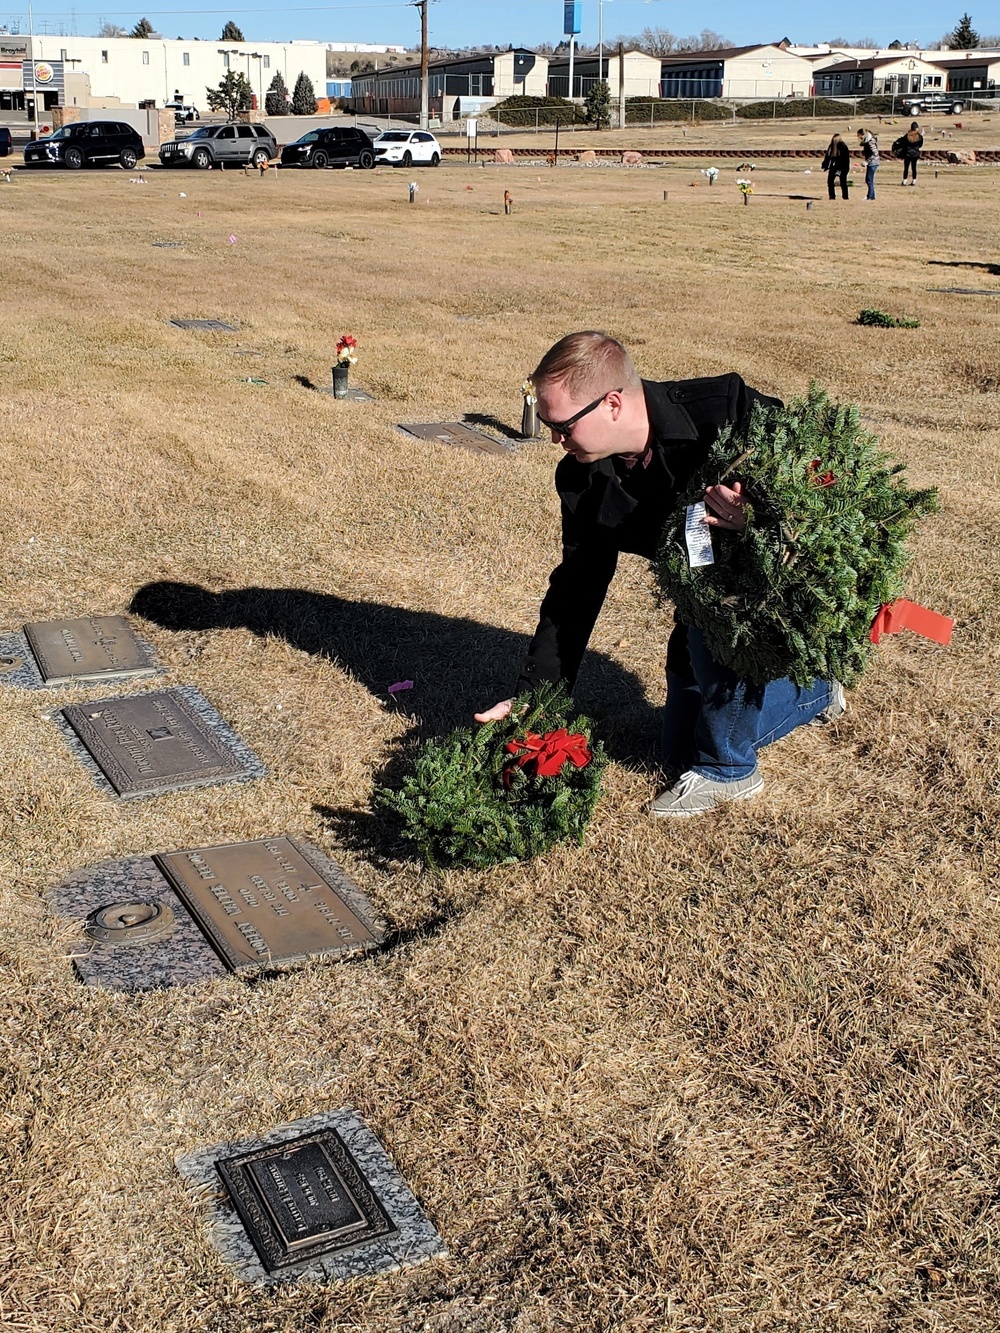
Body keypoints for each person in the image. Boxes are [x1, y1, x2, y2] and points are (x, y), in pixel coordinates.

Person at [474, 332, 842, 818]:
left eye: (562, 426)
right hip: (696, 614)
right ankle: (814, 690)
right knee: (676, 752)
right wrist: (534, 699)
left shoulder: (726, 412)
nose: (554, 440)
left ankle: (729, 772)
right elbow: (576, 589)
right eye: (546, 423)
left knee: (708, 631)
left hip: (764, 600)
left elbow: (829, 484)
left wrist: (761, 517)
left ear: (611, 404)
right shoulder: (582, 479)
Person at [822, 132, 850, 201]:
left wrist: (841, 169)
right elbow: (828, 157)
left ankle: (845, 197)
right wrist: (825, 165)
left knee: (843, 182)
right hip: (834, 166)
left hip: (843, 167)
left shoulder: (843, 147)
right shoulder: (831, 147)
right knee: (830, 181)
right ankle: (832, 196)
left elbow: (845, 159)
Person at [898, 121, 923, 185]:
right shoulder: (919, 136)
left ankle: (904, 181)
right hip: (915, 154)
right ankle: (914, 180)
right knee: (914, 168)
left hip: (907, 154)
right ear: (916, 128)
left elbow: (903, 144)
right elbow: (920, 145)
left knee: (906, 168)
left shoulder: (907, 135)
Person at [858, 127, 879, 200]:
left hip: (873, 162)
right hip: (872, 162)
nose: (859, 137)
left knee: (869, 179)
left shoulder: (870, 142)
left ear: (862, 134)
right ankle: (872, 196)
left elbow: (874, 152)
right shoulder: (868, 141)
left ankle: (869, 196)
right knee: (869, 180)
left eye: (859, 135)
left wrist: (867, 161)